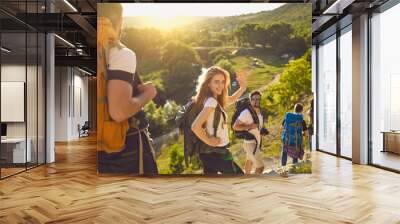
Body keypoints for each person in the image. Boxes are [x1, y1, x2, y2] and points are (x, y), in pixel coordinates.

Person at [97, 3, 158, 174]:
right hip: (124, 148)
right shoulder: (120, 52)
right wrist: (147, 94)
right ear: (120, 21)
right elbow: (119, 112)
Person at [191, 66, 247, 174]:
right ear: (208, 83)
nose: (220, 85)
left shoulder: (211, 99)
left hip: (209, 153)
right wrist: (210, 141)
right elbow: (195, 126)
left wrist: (242, 88)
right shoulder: (211, 102)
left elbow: (231, 99)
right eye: (216, 82)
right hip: (217, 153)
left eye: (222, 82)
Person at [232, 91, 267, 174]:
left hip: (256, 142)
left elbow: (257, 126)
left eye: (258, 99)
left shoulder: (260, 112)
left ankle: (246, 179)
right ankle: (254, 185)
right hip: (250, 143)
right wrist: (250, 126)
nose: (256, 101)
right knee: (260, 167)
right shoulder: (246, 113)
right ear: (250, 100)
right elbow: (235, 126)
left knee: (249, 161)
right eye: (253, 99)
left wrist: (262, 130)